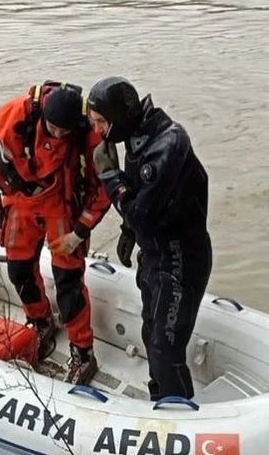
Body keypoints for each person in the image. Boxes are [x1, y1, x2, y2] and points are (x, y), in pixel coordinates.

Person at [86, 76, 213, 401]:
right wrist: (129, 233)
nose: (98, 131)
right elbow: (145, 202)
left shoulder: (167, 144)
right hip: (155, 254)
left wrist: (110, 178)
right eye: (93, 122)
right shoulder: (135, 138)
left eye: (101, 122)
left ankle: (182, 422)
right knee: (150, 332)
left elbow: (142, 213)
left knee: (164, 348)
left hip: (182, 259)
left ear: (120, 115)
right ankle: (161, 400)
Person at [0, 81, 111, 385]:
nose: (59, 135)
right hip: (22, 202)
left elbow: (103, 189)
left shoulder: (89, 136)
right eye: (53, 128)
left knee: (68, 281)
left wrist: (79, 232)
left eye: (65, 131)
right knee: (19, 271)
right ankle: (40, 321)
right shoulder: (17, 116)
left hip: (62, 207)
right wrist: (17, 185)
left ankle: (82, 351)